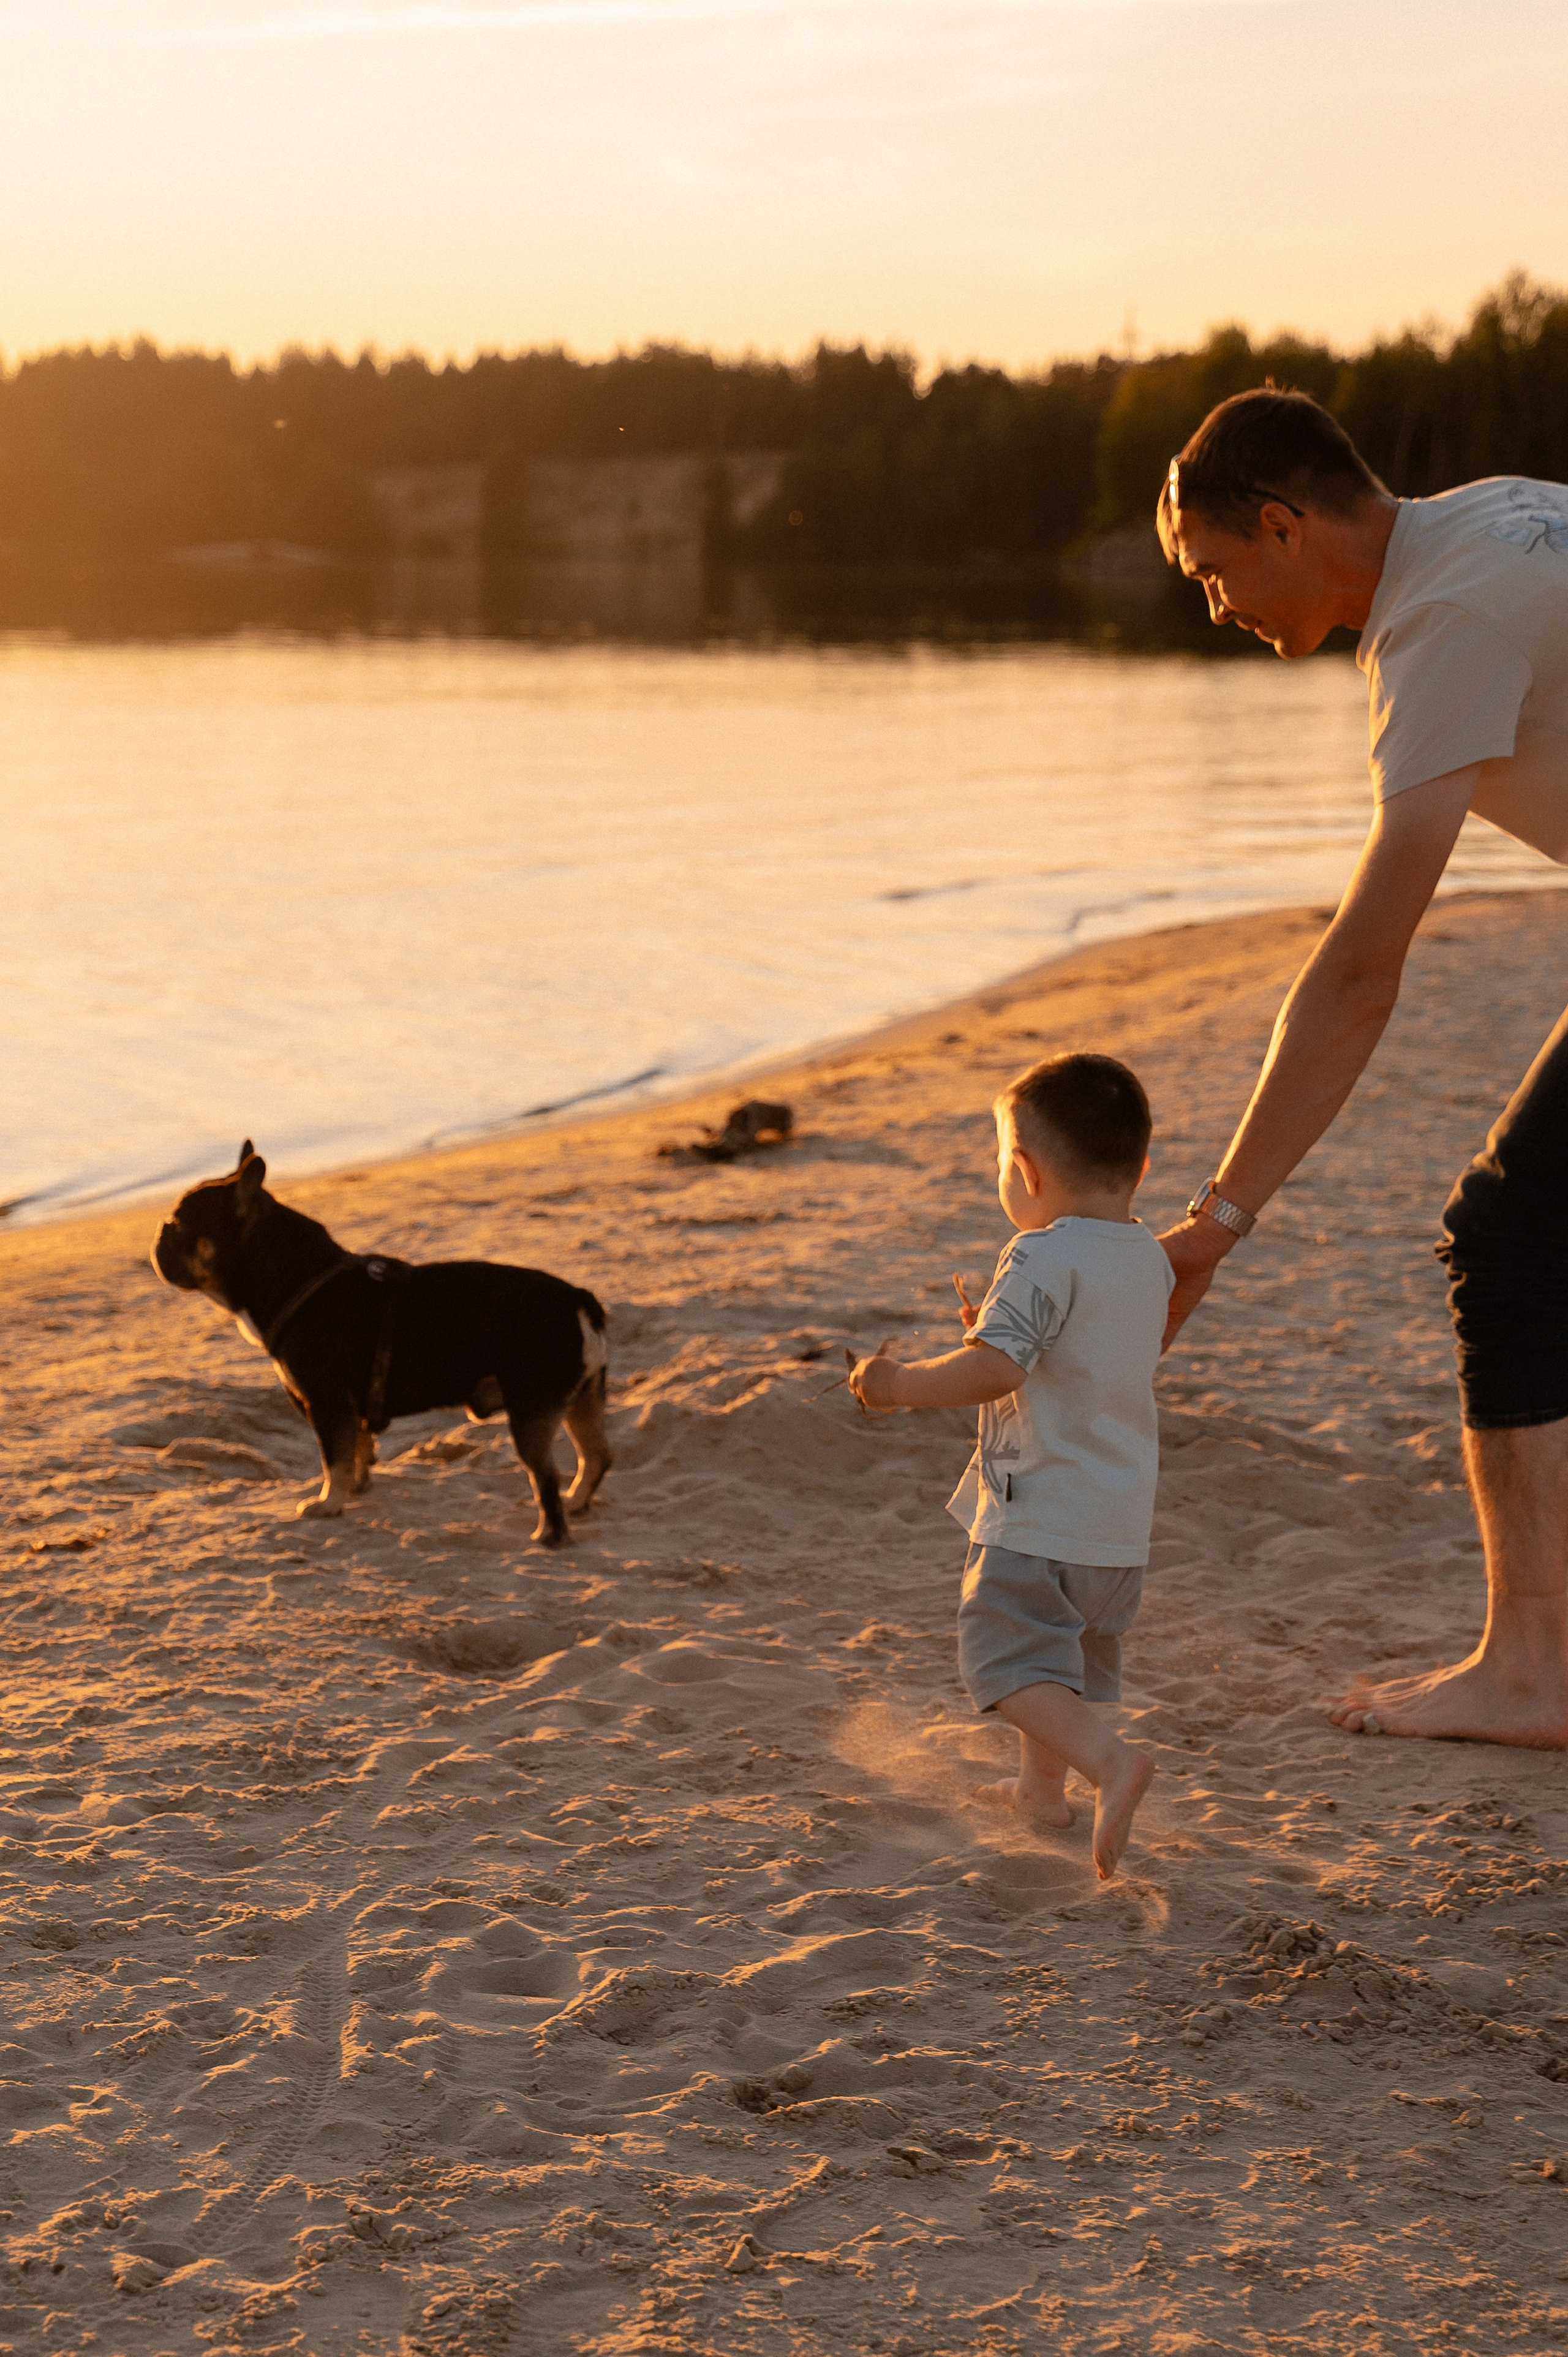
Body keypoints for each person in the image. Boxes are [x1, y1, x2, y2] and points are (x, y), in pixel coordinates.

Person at [1155, 385, 1568, 1749]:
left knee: (1503, 1237)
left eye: (1214, 571)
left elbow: (1358, 970)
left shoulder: (1434, 623)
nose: (1215, 606)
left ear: (1280, 526)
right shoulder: (1499, 514)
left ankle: (1531, 1672)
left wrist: (1216, 1219)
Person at [849, 1052, 1172, 1877]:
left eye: (1002, 1159)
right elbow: (1079, 1350)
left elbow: (998, 1371)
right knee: (1062, 1663)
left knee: (1005, 1661)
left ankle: (1109, 1764)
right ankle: (1041, 1793)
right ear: (1138, 1165)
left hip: (1042, 1513)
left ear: (1022, 1169)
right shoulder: (1148, 1258)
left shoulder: (1038, 1253)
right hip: (1117, 1524)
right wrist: (990, 1327)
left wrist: (895, 1386)